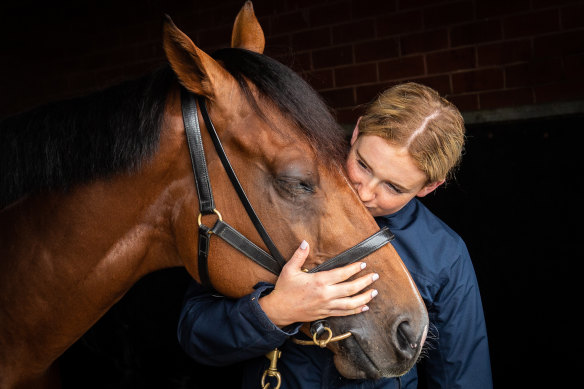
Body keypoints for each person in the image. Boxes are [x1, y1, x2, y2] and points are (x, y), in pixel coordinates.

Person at [177, 82, 493, 388]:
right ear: (355, 133)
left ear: (429, 187)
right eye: (363, 165)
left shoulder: (445, 255)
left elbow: (462, 377)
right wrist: (274, 311)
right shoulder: (282, 199)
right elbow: (196, 334)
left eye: (393, 187)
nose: (365, 192)